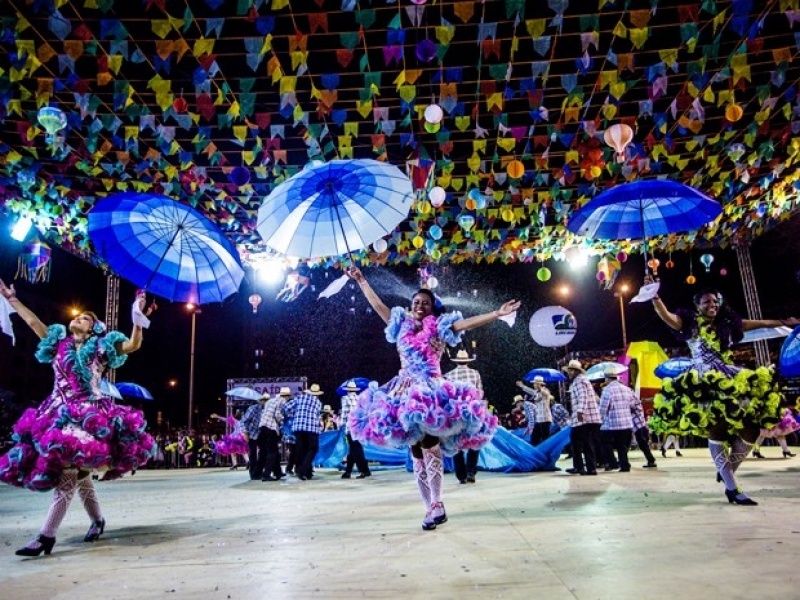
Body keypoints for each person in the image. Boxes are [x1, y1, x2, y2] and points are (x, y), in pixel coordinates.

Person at [346, 265, 519, 531]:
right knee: (415, 450)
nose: (419, 306)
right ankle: (429, 508)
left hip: (431, 391)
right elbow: (379, 305)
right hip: (403, 390)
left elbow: (465, 324)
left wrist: (496, 313)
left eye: (424, 303)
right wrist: (361, 280)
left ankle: (437, 503)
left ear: (432, 307)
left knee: (429, 444)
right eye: (416, 302)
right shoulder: (400, 325)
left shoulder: (439, 327)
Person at [0, 279, 155, 557]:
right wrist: (12, 299)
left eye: (84, 318)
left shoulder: (101, 348)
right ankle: (97, 521)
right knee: (80, 474)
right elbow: (33, 322)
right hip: (56, 413)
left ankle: (46, 536)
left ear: (93, 327)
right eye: (78, 316)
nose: (78, 318)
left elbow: (132, 345)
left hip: (90, 415)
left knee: (71, 471)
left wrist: (137, 315)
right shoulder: (58, 343)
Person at [649, 280, 798, 505]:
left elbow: (755, 324)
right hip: (703, 382)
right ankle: (732, 487)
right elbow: (667, 316)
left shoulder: (728, 325)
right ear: (697, 305)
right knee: (718, 428)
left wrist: (782, 322)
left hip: (729, 377)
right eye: (707, 301)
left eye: (715, 301)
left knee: (751, 429)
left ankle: (726, 471)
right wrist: (654, 296)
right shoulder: (690, 324)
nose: (712, 304)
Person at [444, 350, 484, 484]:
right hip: (473, 412)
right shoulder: (475, 373)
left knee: (456, 443)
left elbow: (446, 396)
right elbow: (480, 393)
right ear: (468, 361)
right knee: (475, 442)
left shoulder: (449, 375)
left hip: (456, 413)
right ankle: (471, 472)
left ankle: (461, 475)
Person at [563, 360, 601, 476]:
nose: (568, 372)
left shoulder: (579, 381)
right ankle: (590, 468)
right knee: (587, 443)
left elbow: (582, 397)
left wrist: (580, 411)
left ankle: (580, 467)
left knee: (576, 441)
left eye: (570, 370)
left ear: (575, 371)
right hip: (589, 417)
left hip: (584, 417)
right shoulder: (581, 380)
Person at [598, 367, 637, 472]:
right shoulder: (627, 389)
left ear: (607, 379)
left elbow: (602, 408)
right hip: (626, 423)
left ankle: (612, 463)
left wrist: (599, 421)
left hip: (611, 424)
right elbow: (633, 405)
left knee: (605, 443)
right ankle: (625, 466)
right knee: (622, 446)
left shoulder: (607, 390)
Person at [284, 384, 323, 481]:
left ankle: (305, 472)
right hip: (311, 428)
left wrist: (295, 414)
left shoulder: (300, 398)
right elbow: (317, 416)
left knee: (302, 450)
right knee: (313, 449)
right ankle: (302, 470)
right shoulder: (318, 402)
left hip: (298, 427)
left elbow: (286, 408)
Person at [339, 380, 370, 479]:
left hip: (350, 427)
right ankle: (348, 472)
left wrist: (341, 425)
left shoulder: (345, 398)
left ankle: (364, 470)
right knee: (354, 449)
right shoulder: (359, 398)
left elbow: (345, 413)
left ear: (348, 390)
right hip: (359, 427)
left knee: (356, 449)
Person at [258, 391, 287, 481]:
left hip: (263, 427)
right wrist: (284, 421)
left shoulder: (270, 401)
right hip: (271, 428)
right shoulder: (281, 401)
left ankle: (277, 472)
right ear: (285, 396)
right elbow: (277, 415)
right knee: (272, 452)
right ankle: (266, 474)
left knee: (271, 451)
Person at [516, 376, 554, 445]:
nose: (533, 385)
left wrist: (540, 388)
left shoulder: (545, 390)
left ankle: (547, 453)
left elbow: (547, 394)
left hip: (545, 419)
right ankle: (536, 452)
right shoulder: (536, 393)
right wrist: (522, 386)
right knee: (534, 437)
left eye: (535, 384)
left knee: (546, 438)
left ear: (539, 384)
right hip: (539, 419)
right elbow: (530, 391)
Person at [240, 394, 267, 480]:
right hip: (251, 433)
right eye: (264, 400)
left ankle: (258, 471)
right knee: (253, 454)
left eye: (267, 400)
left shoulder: (267, 409)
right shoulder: (253, 409)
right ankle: (253, 473)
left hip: (261, 434)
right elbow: (243, 421)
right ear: (260, 401)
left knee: (263, 452)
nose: (265, 402)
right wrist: (245, 433)